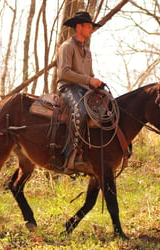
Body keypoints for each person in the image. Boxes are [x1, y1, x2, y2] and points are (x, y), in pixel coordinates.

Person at [56, 11, 103, 170]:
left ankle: (93, 154)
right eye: (88, 26)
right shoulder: (66, 47)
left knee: (105, 109)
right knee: (81, 111)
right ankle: (70, 155)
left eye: (91, 27)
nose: (91, 30)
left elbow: (89, 74)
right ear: (79, 27)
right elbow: (64, 72)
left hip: (85, 89)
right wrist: (88, 80)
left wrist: (95, 83)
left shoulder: (87, 52)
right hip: (68, 87)